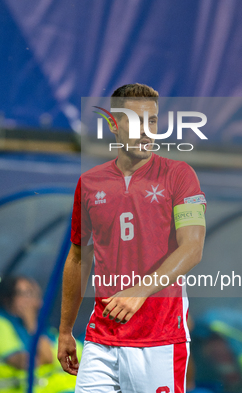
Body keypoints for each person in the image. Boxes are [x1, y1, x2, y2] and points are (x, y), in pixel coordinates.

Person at [57, 83, 207, 393]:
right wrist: (65, 330)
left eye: (152, 121)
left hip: (159, 339)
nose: (146, 131)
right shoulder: (89, 183)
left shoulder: (180, 175)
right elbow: (78, 258)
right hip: (101, 338)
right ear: (114, 125)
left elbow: (192, 248)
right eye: (136, 121)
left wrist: (139, 291)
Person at [0, 275, 77, 393]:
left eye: (36, 295)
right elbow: (32, 361)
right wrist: (32, 323)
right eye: (26, 293)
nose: (36, 302)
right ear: (6, 299)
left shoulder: (27, 326)